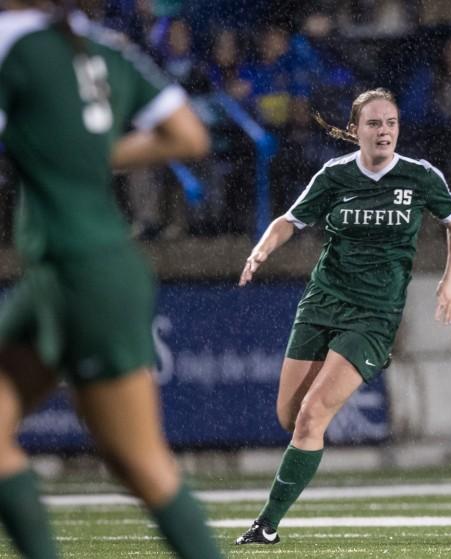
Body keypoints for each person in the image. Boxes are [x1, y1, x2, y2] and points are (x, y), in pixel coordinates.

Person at [0, 2, 223, 558]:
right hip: (77, 270)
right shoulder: (103, 45)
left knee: (141, 465)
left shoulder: (10, 42)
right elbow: (190, 135)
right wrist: (89, 155)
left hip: (81, 273)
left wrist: (73, 157)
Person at [234, 88, 451, 545]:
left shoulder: (420, 177)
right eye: (374, 124)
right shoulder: (335, 175)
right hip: (322, 302)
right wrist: (263, 247)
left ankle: (266, 525)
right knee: (289, 417)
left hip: (374, 315)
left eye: (391, 123)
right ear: (356, 130)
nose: (384, 132)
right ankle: (307, 448)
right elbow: (290, 220)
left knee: (310, 416)